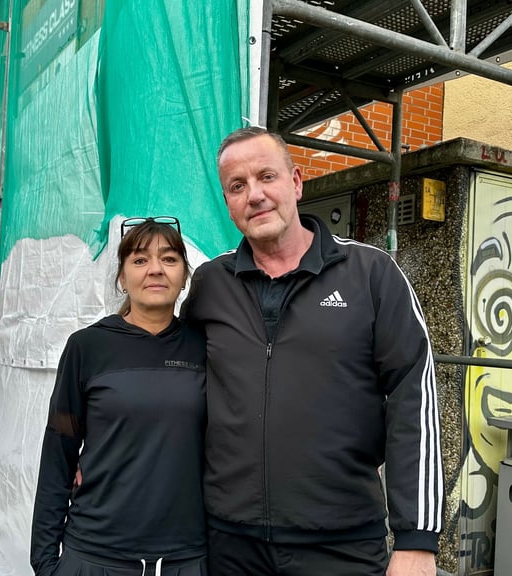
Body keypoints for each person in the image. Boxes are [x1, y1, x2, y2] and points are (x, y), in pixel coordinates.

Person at [182, 127, 443, 576]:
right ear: (227, 202)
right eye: (237, 186)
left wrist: (416, 539)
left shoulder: (371, 274)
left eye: (267, 177)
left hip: (341, 545)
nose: (255, 195)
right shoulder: (210, 285)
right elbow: (174, 387)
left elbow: (413, 398)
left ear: (296, 182)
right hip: (230, 544)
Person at [31, 217, 207, 576]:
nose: (155, 269)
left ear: (184, 276)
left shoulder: (206, 348)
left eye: (169, 259)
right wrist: (45, 560)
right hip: (96, 555)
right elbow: (59, 450)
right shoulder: (87, 348)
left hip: (185, 558)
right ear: (122, 278)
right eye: (140, 260)